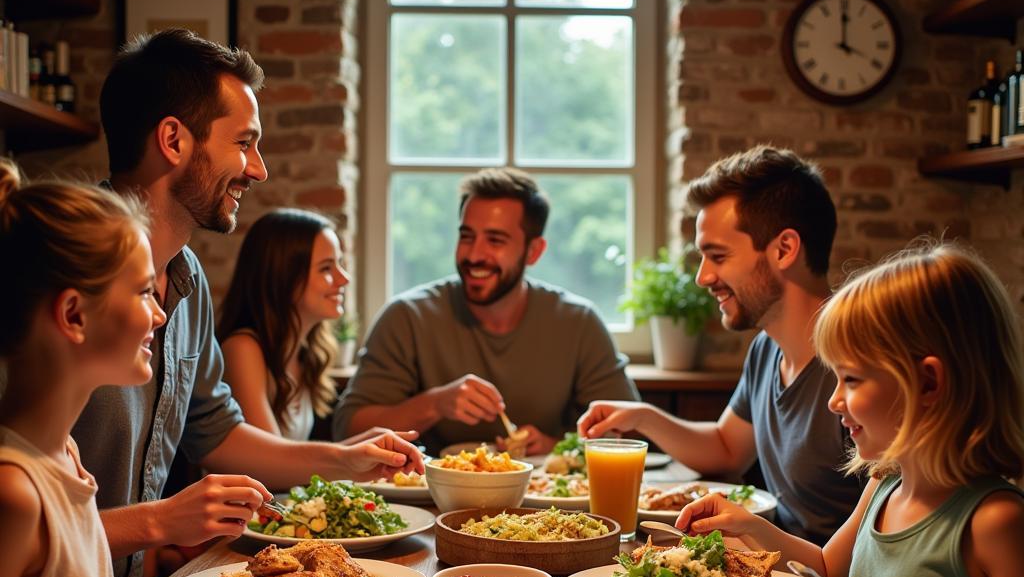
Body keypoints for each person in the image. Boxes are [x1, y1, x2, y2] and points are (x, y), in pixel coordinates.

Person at [73, 29, 423, 577]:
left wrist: (347, 458)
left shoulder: (188, 280)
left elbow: (219, 434)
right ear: (173, 140)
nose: (258, 170)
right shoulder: (56, 272)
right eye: (244, 143)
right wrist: (160, 522)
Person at [677, 241, 1024, 577]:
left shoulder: (996, 522)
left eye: (853, 380)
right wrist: (752, 529)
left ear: (927, 383)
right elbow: (827, 567)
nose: (834, 402)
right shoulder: (884, 484)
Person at [0, 162, 250, 577]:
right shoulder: (13, 490)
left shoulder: (65, 454)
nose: (161, 313)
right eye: (142, 292)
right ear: (72, 315)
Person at [578, 145, 862, 544]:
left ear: (785, 249)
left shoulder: (858, 364)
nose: (703, 277)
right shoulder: (767, 349)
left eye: (718, 256)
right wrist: (643, 417)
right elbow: (728, 448)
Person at [333, 167, 639, 454]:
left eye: (495, 240)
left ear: (533, 251)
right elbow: (348, 431)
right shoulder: (407, 317)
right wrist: (434, 405)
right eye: (466, 236)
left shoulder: (577, 322)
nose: (474, 254)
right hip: (428, 500)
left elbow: (630, 433)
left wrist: (554, 446)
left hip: (546, 504)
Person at [218, 209, 345, 440]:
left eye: (339, 263)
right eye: (326, 268)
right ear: (284, 276)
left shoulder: (305, 353)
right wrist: (358, 454)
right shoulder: (242, 348)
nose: (343, 278)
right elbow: (271, 464)